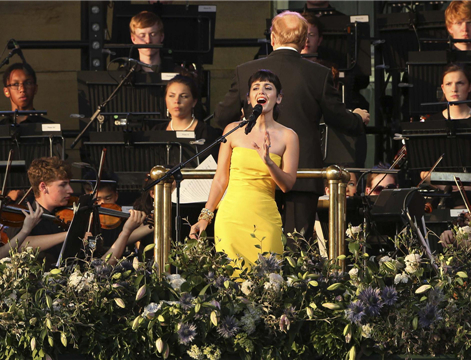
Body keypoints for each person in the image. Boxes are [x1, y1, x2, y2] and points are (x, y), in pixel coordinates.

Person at [215, 11, 369, 242]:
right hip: (300, 175)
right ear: (304, 40)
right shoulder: (319, 74)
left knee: (255, 243)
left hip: (255, 174)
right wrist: (358, 118)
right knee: (295, 252)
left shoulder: (245, 71)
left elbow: (221, 117)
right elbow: (339, 119)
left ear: (273, 38)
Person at [190, 70, 299, 270]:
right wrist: (205, 217)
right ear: (249, 98)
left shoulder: (288, 136)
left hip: (265, 215)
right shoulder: (233, 131)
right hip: (231, 217)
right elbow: (221, 179)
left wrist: (269, 162)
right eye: (256, 88)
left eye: (268, 87)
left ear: (279, 97)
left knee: (268, 282)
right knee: (232, 282)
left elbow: (287, 185)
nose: (262, 91)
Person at [11, 157, 146, 268]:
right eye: (63, 185)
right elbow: (20, 244)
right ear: (43, 187)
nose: (70, 190)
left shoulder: (73, 213)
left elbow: (107, 247)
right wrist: (71, 234)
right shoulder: (24, 215)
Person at [152, 74, 221, 159]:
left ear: (194, 102)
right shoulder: (157, 131)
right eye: (171, 96)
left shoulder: (207, 133)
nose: (176, 101)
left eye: (184, 96)